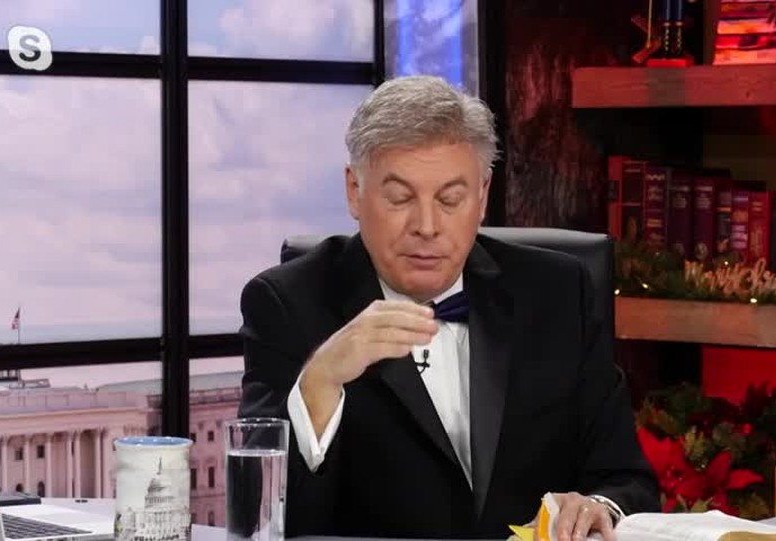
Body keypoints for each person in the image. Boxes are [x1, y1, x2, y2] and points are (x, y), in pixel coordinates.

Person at [237, 74, 660, 540]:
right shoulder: (286, 305)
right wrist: (321, 381)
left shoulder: (557, 292)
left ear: (482, 195)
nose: (427, 225)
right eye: (400, 197)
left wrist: (599, 507)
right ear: (355, 190)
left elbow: (627, 480)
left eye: (450, 199)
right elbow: (261, 516)